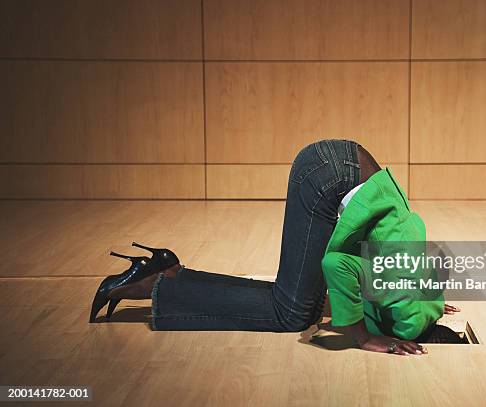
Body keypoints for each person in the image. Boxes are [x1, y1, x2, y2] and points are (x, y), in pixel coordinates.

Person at [90, 139, 461, 356]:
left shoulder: (417, 280)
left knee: (302, 300)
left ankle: (172, 274)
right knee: (291, 314)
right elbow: (336, 264)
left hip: (341, 162)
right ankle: (155, 287)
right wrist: (364, 337)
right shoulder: (402, 291)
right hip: (324, 178)